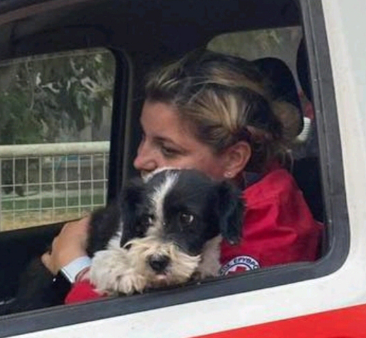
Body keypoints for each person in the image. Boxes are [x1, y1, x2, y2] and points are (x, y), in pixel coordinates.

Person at [43, 50, 322, 303]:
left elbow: (162, 320)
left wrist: (73, 266)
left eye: (168, 149)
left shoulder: (268, 238)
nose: (139, 160)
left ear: (233, 159)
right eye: (143, 138)